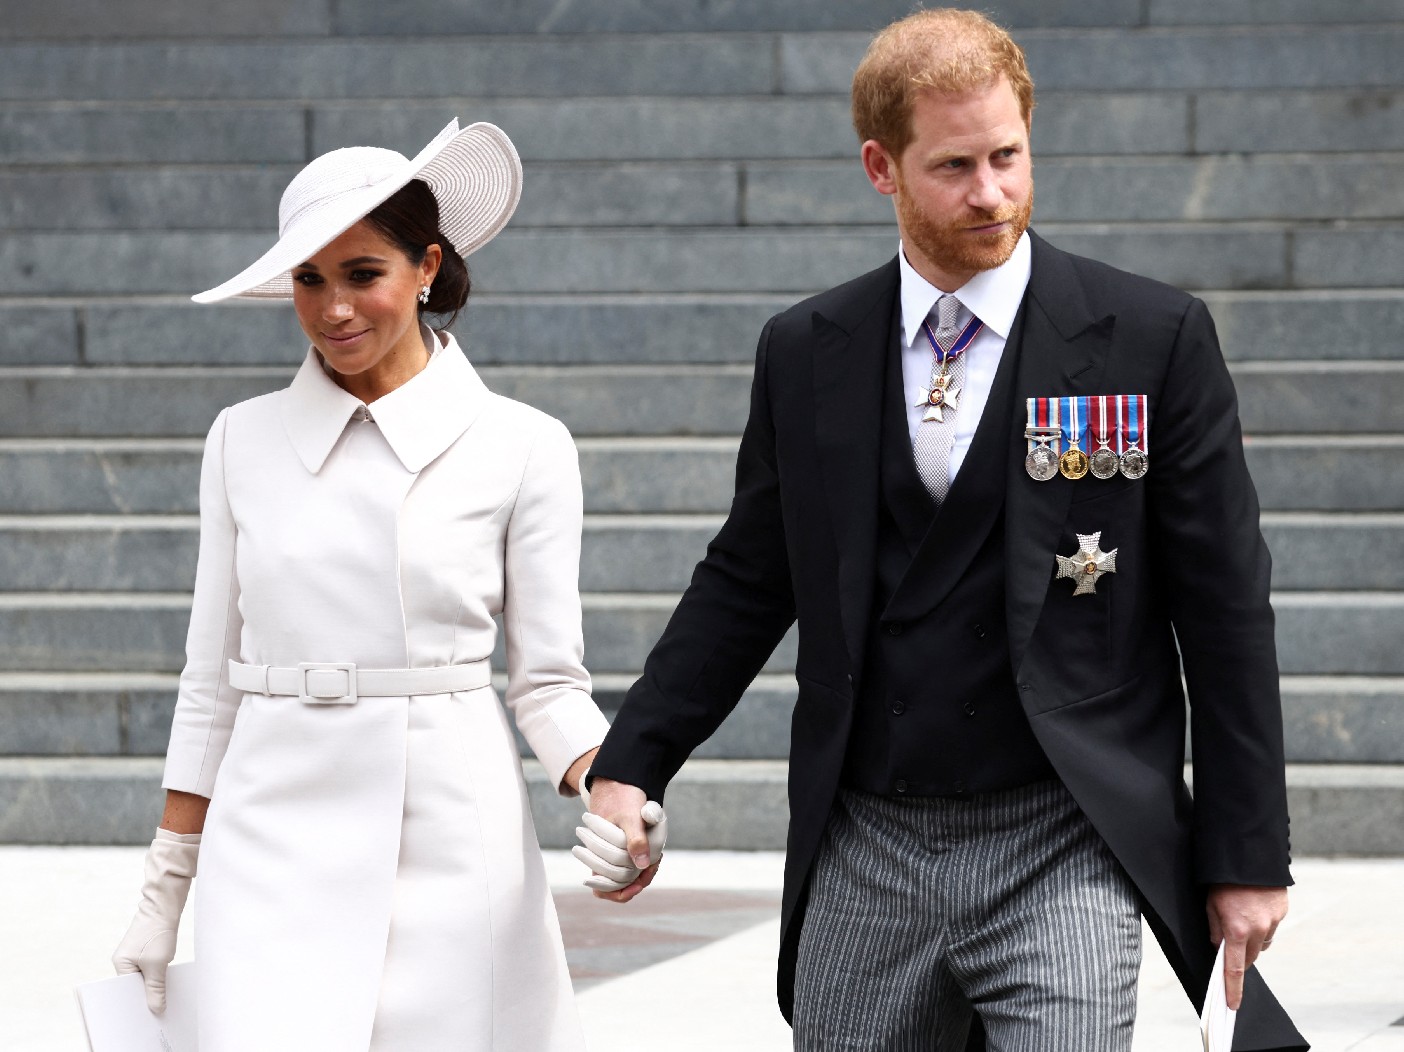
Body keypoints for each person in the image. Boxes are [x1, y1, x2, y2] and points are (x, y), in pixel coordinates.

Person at [578, 10, 1307, 1050]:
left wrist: (1246, 854)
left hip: (1066, 833)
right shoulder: (805, 349)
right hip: (866, 833)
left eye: (1009, 155)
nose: (993, 193)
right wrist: (631, 762)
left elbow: (1228, 607)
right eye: (955, 165)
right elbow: (747, 577)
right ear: (881, 166)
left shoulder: (1152, 338)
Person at [111, 120, 610, 1051]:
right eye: (308, 280)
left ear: (426, 268)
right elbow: (209, 682)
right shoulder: (240, 439)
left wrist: (614, 785)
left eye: (361, 274)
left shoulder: (524, 445)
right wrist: (164, 886)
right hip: (266, 834)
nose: (333, 308)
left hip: (452, 842)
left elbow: (548, 684)